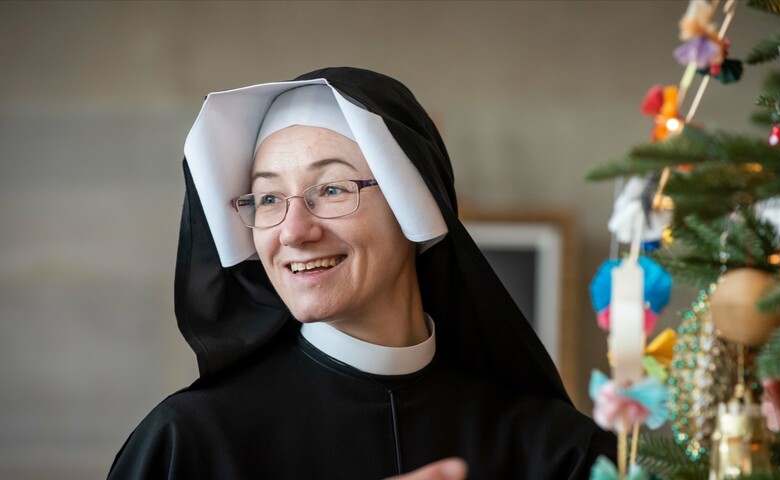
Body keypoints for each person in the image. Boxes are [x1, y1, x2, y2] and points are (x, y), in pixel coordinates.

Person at [107, 67, 615, 479]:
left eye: (332, 189)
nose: (293, 232)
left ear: (414, 207)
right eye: (268, 199)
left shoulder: (556, 451)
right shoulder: (187, 443)